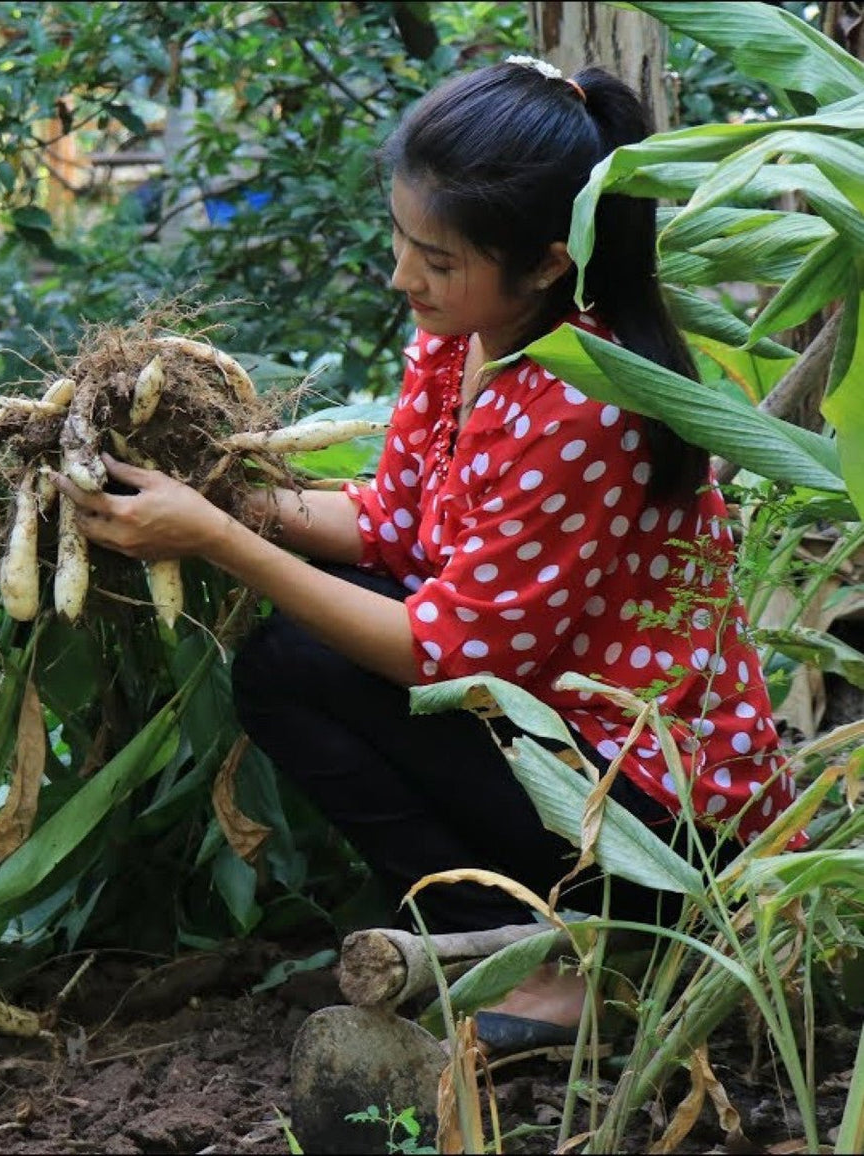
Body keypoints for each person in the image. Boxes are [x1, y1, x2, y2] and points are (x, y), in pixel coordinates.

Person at [50, 56, 800, 1050]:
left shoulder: (583, 401)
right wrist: (217, 486)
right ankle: (505, 935)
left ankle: (560, 962)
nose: (404, 277)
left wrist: (219, 537)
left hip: (649, 822)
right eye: (402, 242)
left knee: (289, 667)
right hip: (550, 741)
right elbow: (396, 524)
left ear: (543, 262)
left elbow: (443, 652)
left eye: (435, 261)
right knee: (310, 636)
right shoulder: (465, 336)